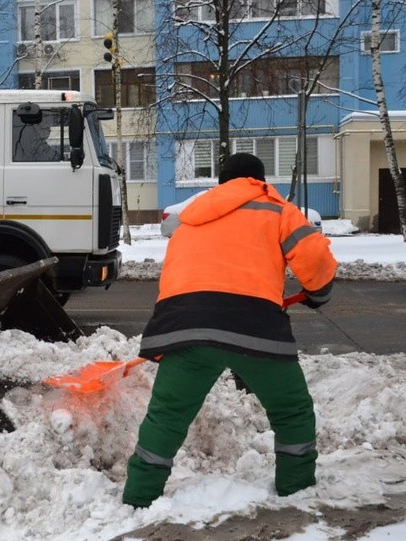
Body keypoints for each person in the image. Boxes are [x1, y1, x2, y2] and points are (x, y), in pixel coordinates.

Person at [123, 152, 337, 508]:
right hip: (253, 326)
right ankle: (296, 491)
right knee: (291, 410)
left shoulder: (191, 217)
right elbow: (315, 260)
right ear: (260, 180)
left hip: (183, 325)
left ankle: (138, 498)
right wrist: (319, 293)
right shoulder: (277, 209)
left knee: (167, 415)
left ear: (222, 183)